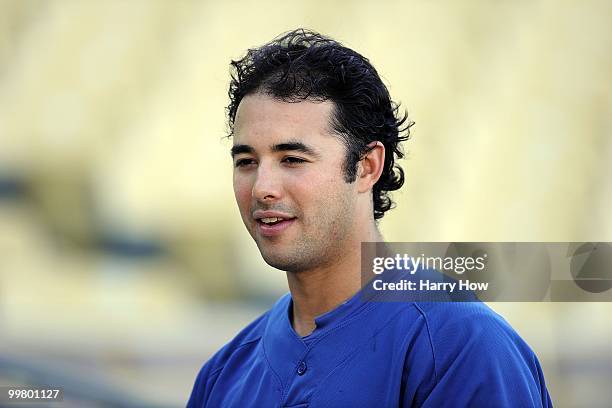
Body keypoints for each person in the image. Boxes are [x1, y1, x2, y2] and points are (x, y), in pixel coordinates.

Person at [188, 28, 552, 407]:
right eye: (246, 162)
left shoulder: (458, 347)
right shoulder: (224, 374)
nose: (263, 187)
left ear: (366, 166)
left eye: (292, 159)